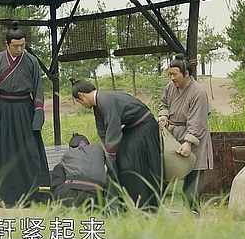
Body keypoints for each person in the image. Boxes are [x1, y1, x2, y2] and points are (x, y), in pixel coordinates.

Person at [71, 78, 162, 209]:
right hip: (132, 129)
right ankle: (125, 202)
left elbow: (113, 131)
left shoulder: (105, 100)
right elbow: (103, 132)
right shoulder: (98, 105)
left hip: (144, 127)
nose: (82, 105)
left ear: (81, 95)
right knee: (119, 160)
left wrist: (109, 160)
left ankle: (144, 204)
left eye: (79, 102)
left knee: (129, 163)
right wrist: (104, 157)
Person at [0, 21, 50, 206]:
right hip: (4, 109)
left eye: (23, 45)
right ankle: (5, 196)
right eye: (16, 46)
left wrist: (38, 113)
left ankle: (34, 195)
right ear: (7, 44)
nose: (20, 49)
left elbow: (38, 89)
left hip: (25, 108)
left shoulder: (31, 61)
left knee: (29, 152)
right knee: (5, 153)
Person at [158, 53, 213, 214]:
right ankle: (152, 207)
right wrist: (164, 115)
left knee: (193, 176)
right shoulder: (170, 87)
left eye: (175, 75)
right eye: (170, 74)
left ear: (186, 73)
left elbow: (198, 121)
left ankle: (193, 212)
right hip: (173, 134)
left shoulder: (198, 92)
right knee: (164, 170)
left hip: (195, 137)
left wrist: (188, 143)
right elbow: (164, 104)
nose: (172, 78)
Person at [49, 133, 109, 208]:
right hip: (96, 197)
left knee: (59, 171)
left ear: (70, 148)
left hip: (70, 196)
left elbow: (56, 184)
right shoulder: (98, 152)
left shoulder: (68, 154)